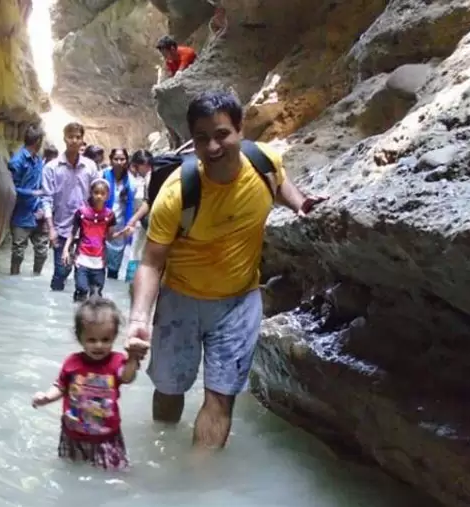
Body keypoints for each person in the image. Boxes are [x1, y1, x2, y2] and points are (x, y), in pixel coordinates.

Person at [125, 90, 326, 451]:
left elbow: (280, 184)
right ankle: (163, 449)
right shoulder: (177, 193)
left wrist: (301, 203)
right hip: (180, 301)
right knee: (170, 391)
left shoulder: (263, 162)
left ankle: (199, 485)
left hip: (238, 302)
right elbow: (152, 261)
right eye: (202, 138)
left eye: (222, 134)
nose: (213, 146)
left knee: (220, 397)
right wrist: (139, 317)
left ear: (240, 130)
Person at [32, 297, 149, 471]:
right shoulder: (72, 362)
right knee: (71, 470)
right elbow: (61, 387)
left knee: (115, 474)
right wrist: (47, 397)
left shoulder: (116, 361)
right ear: (80, 338)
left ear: (115, 337)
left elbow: (126, 377)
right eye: (92, 340)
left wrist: (132, 357)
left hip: (106, 437)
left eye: (106, 339)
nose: (99, 345)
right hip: (72, 434)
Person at [42, 122, 101, 292]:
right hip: (61, 228)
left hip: (86, 230)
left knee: (84, 276)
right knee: (61, 272)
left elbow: (97, 197)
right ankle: (54, 309)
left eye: (78, 137)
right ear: (64, 138)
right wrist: (50, 229)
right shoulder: (51, 168)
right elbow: (46, 199)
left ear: (83, 140)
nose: (74, 141)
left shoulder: (90, 166)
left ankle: (78, 312)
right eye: (71, 137)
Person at [62, 179, 117, 302]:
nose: (99, 196)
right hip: (82, 259)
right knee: (82, 289)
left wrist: (123, 234)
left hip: (99, 261)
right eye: (96, 192)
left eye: (102, 194)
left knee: (96, 294)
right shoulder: (81, 213)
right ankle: (77, 312)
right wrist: (65, 250)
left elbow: (110, 237)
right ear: (91, 193)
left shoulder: (110, 215)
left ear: (107, 196)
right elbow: (72, 233)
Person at [7, 125, 48, 275]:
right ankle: (14, 278)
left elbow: (41, 185)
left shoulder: (38, 160)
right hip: (21, 214)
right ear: (37, 141)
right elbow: (10, 188)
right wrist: (33, 193)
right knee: (18, 252)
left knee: (42, 251)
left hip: (38, 213)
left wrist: (43, 206)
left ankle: (36, 277)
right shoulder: (17, 161)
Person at [115, 149, 153, 294]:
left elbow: (147, 203)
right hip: (143, 225)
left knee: (138, 256)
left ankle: (134, 289)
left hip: (145, 225)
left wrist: (131, 221)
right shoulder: (143, 178)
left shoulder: (150, 177)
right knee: (137, 255)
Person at [102, 148, 135, 279]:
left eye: (122, 159)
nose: (119, 162)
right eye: (116, 159)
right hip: (101, 225)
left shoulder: (131, 182)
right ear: (111, 160)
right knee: (97, 266)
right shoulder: (103, 176)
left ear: (127, 161)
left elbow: (132, 206)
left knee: (113, 270)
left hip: (119, 229)